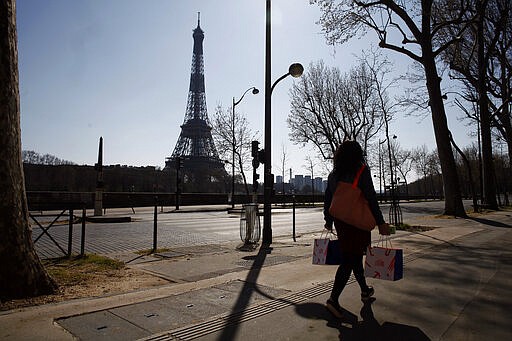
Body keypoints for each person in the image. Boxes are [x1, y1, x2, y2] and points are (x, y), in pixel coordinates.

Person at [323, 140, 391, 318]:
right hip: (358, 221)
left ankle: (365, 290)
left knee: (353, 256)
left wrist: (328, 220)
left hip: (341, 221)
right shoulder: (361, 170)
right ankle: (333, 300)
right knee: (350, 258)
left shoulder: (333, 175)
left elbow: (328, 199)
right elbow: (371, 197)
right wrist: (380, 222)